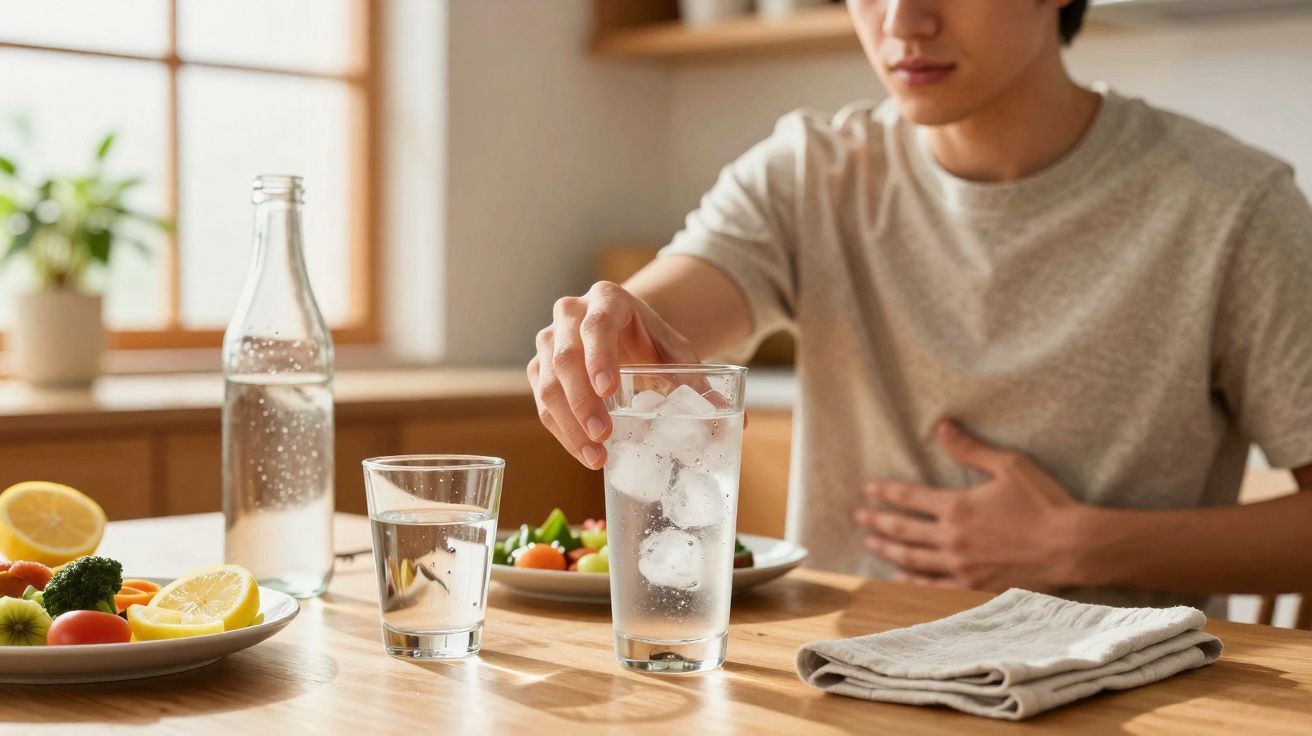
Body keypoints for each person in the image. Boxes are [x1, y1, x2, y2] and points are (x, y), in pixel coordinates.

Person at [527, 0, 1312, 613]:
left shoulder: (1234, 208)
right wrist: (602, 335)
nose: (903, 24)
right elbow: (657, 329)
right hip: (842, 685)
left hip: (1117, 697)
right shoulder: (809, 175)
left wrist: (1081, 545)